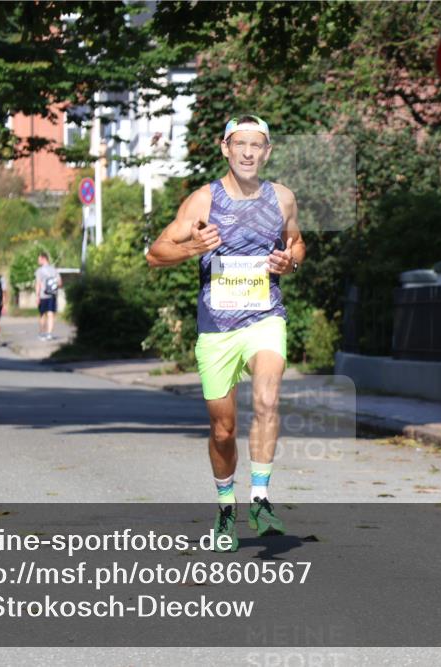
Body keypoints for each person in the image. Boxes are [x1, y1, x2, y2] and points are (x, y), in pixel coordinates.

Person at [146, 115, 304, 552]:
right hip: (216, 327)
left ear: (267, 151)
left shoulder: (283, 198)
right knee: (222, 429)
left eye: (257, 145)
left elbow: (297, 243)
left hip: (265, 316)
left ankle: (261, 499)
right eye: (241, 144)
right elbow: (155, 254)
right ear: (225, 149)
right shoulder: (203, 201)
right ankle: (224, 506)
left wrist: (290, 261)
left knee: (269, 397)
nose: (249, 152)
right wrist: (192, 247)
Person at [34, 252, 62, 341]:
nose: (38, 261)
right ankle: (49, 334)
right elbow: (60, 283)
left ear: (43, 258)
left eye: (39, 259)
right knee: (51, 314)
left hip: (43, 296)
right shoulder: (54, 270)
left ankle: (42, 333)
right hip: (52, 295)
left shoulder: (39, 271)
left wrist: (37, 296)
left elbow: (38, 284)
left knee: (42, 315)